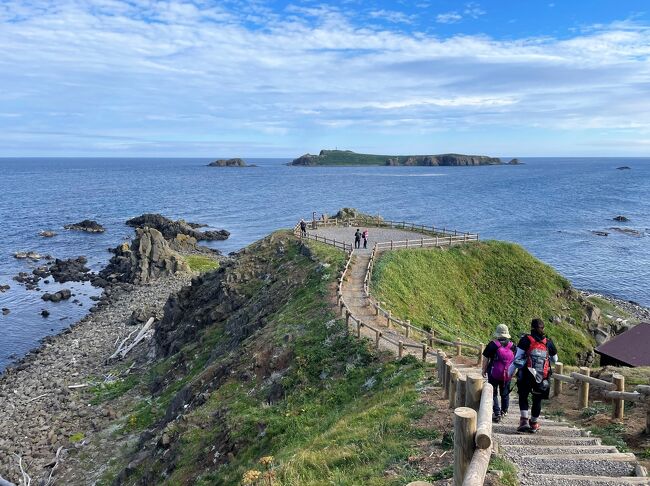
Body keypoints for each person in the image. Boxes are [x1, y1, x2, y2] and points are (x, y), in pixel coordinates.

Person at [508, 318, 559, 433]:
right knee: (537, 399)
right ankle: (534, 423)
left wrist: (510, 373)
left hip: (526, 374)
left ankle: (524, 421)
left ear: (531, 327)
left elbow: (517, 359)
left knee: (523, 396)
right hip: (542, 377)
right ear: (543, 328)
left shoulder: (526, 340)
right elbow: (555, 359)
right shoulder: (548, 342)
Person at [482, 324, 515, 423]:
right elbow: (516, 360)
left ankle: (496, 412)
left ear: (497, 333)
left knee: (493, 392)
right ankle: (504, 411)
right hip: (507, 374)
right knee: (505, 393)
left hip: (493, 373)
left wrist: (483, 369)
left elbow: (485, 358)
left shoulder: (493, 344)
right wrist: (513, 372)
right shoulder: (512, 346)